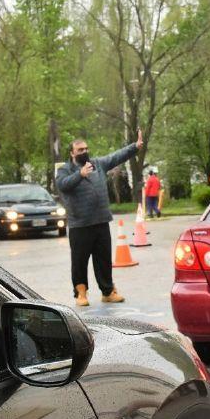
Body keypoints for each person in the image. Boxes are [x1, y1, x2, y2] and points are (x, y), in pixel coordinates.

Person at [56, 130, 144, 306]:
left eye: (86, 149)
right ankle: (81, 293)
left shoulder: (97, 164)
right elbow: (63, 185)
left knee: (103, 260)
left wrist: (135, 147)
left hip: (101, 221)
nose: (84, 152)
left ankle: (108, 291)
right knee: (79, 261)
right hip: (80, 224)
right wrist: (80, 174)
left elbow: (116, 156)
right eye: (80, 150)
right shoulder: (65, 170)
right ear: (72, 153)